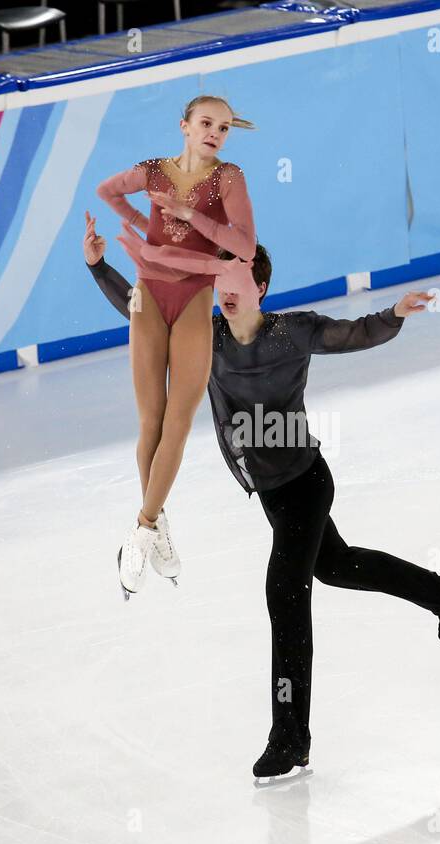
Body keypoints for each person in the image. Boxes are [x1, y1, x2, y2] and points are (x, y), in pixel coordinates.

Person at [83, 213, 440, 783]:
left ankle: (290, 738)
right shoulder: (206, 338)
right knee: (338, 565)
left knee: (285, 596)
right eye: (218, 282)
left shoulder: (292, 333)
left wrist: (394, 315)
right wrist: (98, 266)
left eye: (236, 282)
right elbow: (143, 311)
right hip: (273, 495)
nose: (225, 293)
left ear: (261, 287)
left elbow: (352, 334)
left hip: (305, 484)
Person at [96, 95, 259, 598]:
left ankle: (142, 530)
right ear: (184, 126)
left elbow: (245, 247)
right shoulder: (153, 171)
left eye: (224, 128)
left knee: (179, 422)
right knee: (151, 419)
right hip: (148, 296)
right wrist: (143, 230)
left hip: (193, 300)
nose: (215, 134)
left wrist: (190, 213)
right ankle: (158, 521)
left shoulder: (228, 177)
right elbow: (106, 190)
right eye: (206, 123)